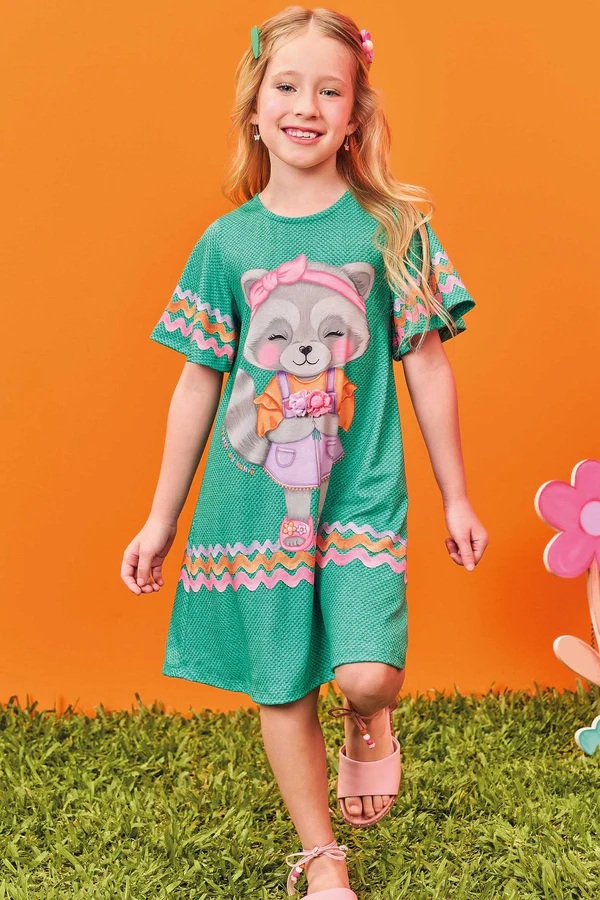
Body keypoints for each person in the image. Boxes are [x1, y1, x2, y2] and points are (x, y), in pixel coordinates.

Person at [121, 6, 488, 897]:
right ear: (255, 108)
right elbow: (198, 385)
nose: (306, 106)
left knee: (366, 673)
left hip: (359, 491)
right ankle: (323, 859)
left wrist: (456, 496)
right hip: (254, 503)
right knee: (282, 682)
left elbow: (426, 366)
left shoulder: (390, 229)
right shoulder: (227, 245)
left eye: (331, 90)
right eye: (287, 86)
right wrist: (161, 519)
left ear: (355, 116)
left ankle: (370, 719)